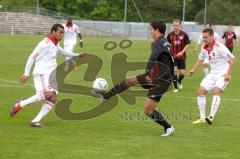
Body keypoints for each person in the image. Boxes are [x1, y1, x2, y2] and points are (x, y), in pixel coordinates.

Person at [93, 19, 175, 136]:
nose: (150, 32)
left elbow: (154, 56)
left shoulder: (156, 42)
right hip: (158, 77)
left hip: (161, 80)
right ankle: (105, 96)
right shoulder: (165, 41)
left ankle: (168, 127)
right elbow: (168, 60)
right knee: (128, 81)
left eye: (151, 30)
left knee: (147, 110)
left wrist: (147, 73)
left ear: (157, 30)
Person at [10, 24, 86, 127]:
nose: (61, 35)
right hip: (41, 73)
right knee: (47, 94)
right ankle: (21, 104)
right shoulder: (44, 44)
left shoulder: (55, 44)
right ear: (53, 32)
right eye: (60, 33)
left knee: (53, 98)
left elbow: (63, 52)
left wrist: (77, 55)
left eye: (63, 33)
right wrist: (26, 73)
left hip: (50, 75)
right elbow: (32, 57)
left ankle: (35, 121)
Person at [188, 28, 235, 125]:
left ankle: (211, 116)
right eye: (203, 37)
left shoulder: (219, 46)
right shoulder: (204, 47)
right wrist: (193, 70)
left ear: (212, 36)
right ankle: (202, 118)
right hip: (213, 73)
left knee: (216, 91)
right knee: (200, 91)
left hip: (223, 73)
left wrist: (228, 74)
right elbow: (201, 59)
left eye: (206, 37)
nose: (204, 39)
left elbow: (232, 59)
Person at [167, 19, 190, 92]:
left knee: (182, 73)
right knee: (174, 71)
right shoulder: (170, 35)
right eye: (174, 25)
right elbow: (168, 44)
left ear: (180, 25)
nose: (175, 27)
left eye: (176, 25)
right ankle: (176, 87)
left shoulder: (184, 34)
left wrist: (182, 52)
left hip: (182, 56)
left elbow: (187, 44)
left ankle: (179, 81)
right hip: (173, 56)